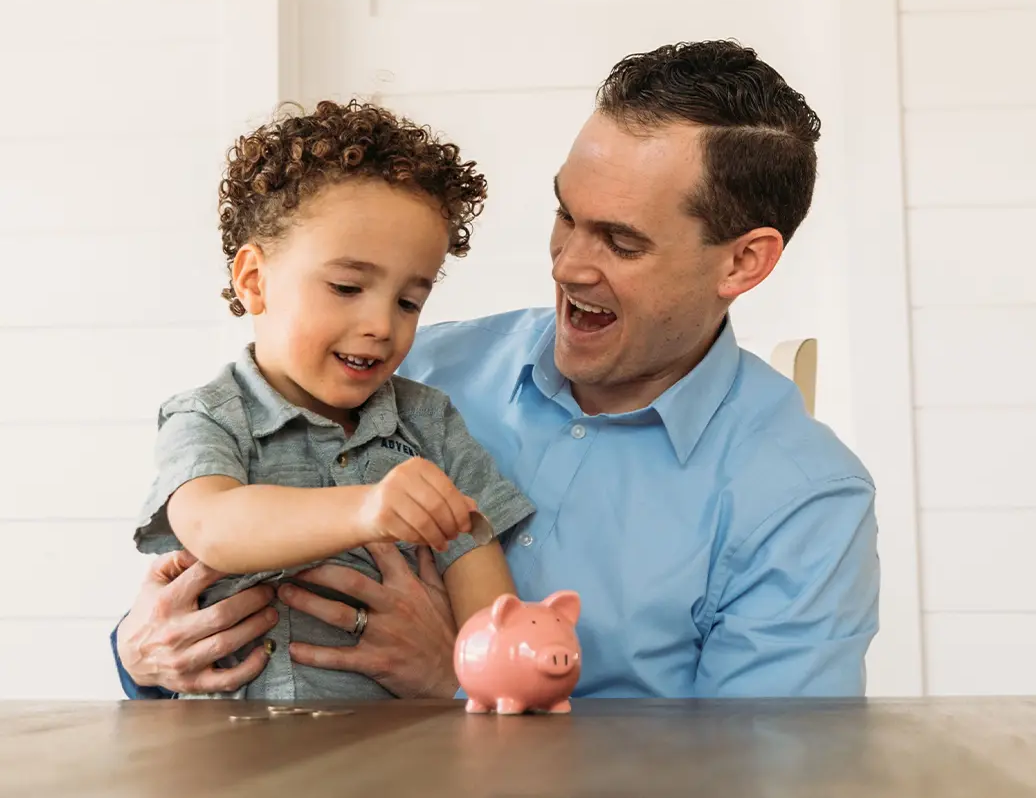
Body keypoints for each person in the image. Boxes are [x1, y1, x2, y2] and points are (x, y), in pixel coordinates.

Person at [112, 40, 880, 700]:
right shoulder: (404, 377)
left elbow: (767, 768)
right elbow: (211, 547)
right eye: (566, 216)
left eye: (620, 241)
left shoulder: (803, 500)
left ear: (744, 262)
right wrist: (139, 654)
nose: (569, 266)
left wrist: (455, 680)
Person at [120, 98, 535, 699]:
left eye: (408, 301)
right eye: (346, 287)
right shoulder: (208, 416)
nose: (381, 325)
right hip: (228, 770)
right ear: (254, 280)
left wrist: (508, 677)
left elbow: (491, 620)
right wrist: (368, 509)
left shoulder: (432, 424)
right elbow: (215, 527)